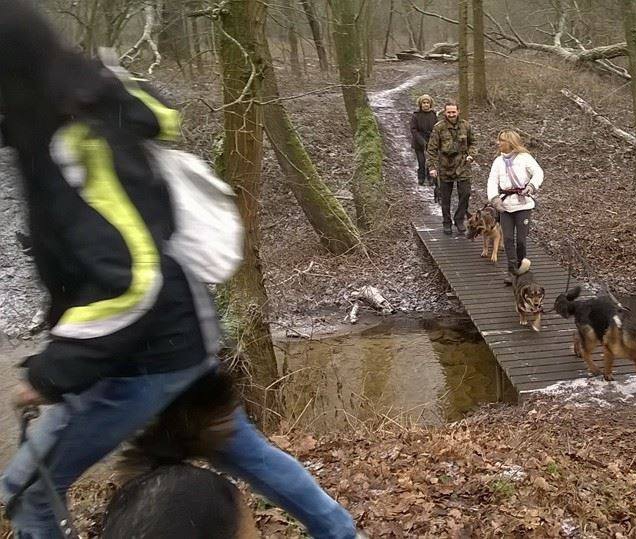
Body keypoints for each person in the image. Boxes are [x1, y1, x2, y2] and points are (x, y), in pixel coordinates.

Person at [0, 2, 356, 537]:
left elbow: (129, 279)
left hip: (141, 356)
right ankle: (342, 532)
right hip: (178, 337)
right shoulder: (85, 105)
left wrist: (52, 372)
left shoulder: (72, 146)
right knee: (245, 452)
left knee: (31, 494)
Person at [486, 130, 544, 281]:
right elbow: (492, 181)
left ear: (511, 142)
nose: (498, 143)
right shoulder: (498, 161)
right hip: (505, 206)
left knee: (521, 240)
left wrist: (531, 186)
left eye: (502, 140)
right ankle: (511, 271)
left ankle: (521, 268)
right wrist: (494, 199)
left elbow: (538, 172)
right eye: (499, 140)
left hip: (523, 205)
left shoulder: (525, 158)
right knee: (508, 239)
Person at [427, 102, 477, 235]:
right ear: (445, 112)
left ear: (458, 111)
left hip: (462, 165)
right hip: (445, 165)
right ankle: (446, 222)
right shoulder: (439, 127)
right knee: (445, 197)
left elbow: (473, 142)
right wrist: (432, 167)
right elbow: (431, 149)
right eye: (448, 112)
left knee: (465, 193)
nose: (451, 115)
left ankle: (459, 219)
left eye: (453, 112)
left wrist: (471, 155)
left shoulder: (466, 126)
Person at [409, 94, 436, 186]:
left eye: (427, 103)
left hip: (431, 141)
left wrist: (433, 139)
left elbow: (436, 128)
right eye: (424, 103)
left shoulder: (433, 115)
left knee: (430, 161)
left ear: (430, 104)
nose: (426, 104)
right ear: (420, 104)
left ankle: (430, 177)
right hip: (418, 141)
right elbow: (413, 130)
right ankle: (421, 177)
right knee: (421, 161)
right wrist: (421, 141)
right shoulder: (416, 115)